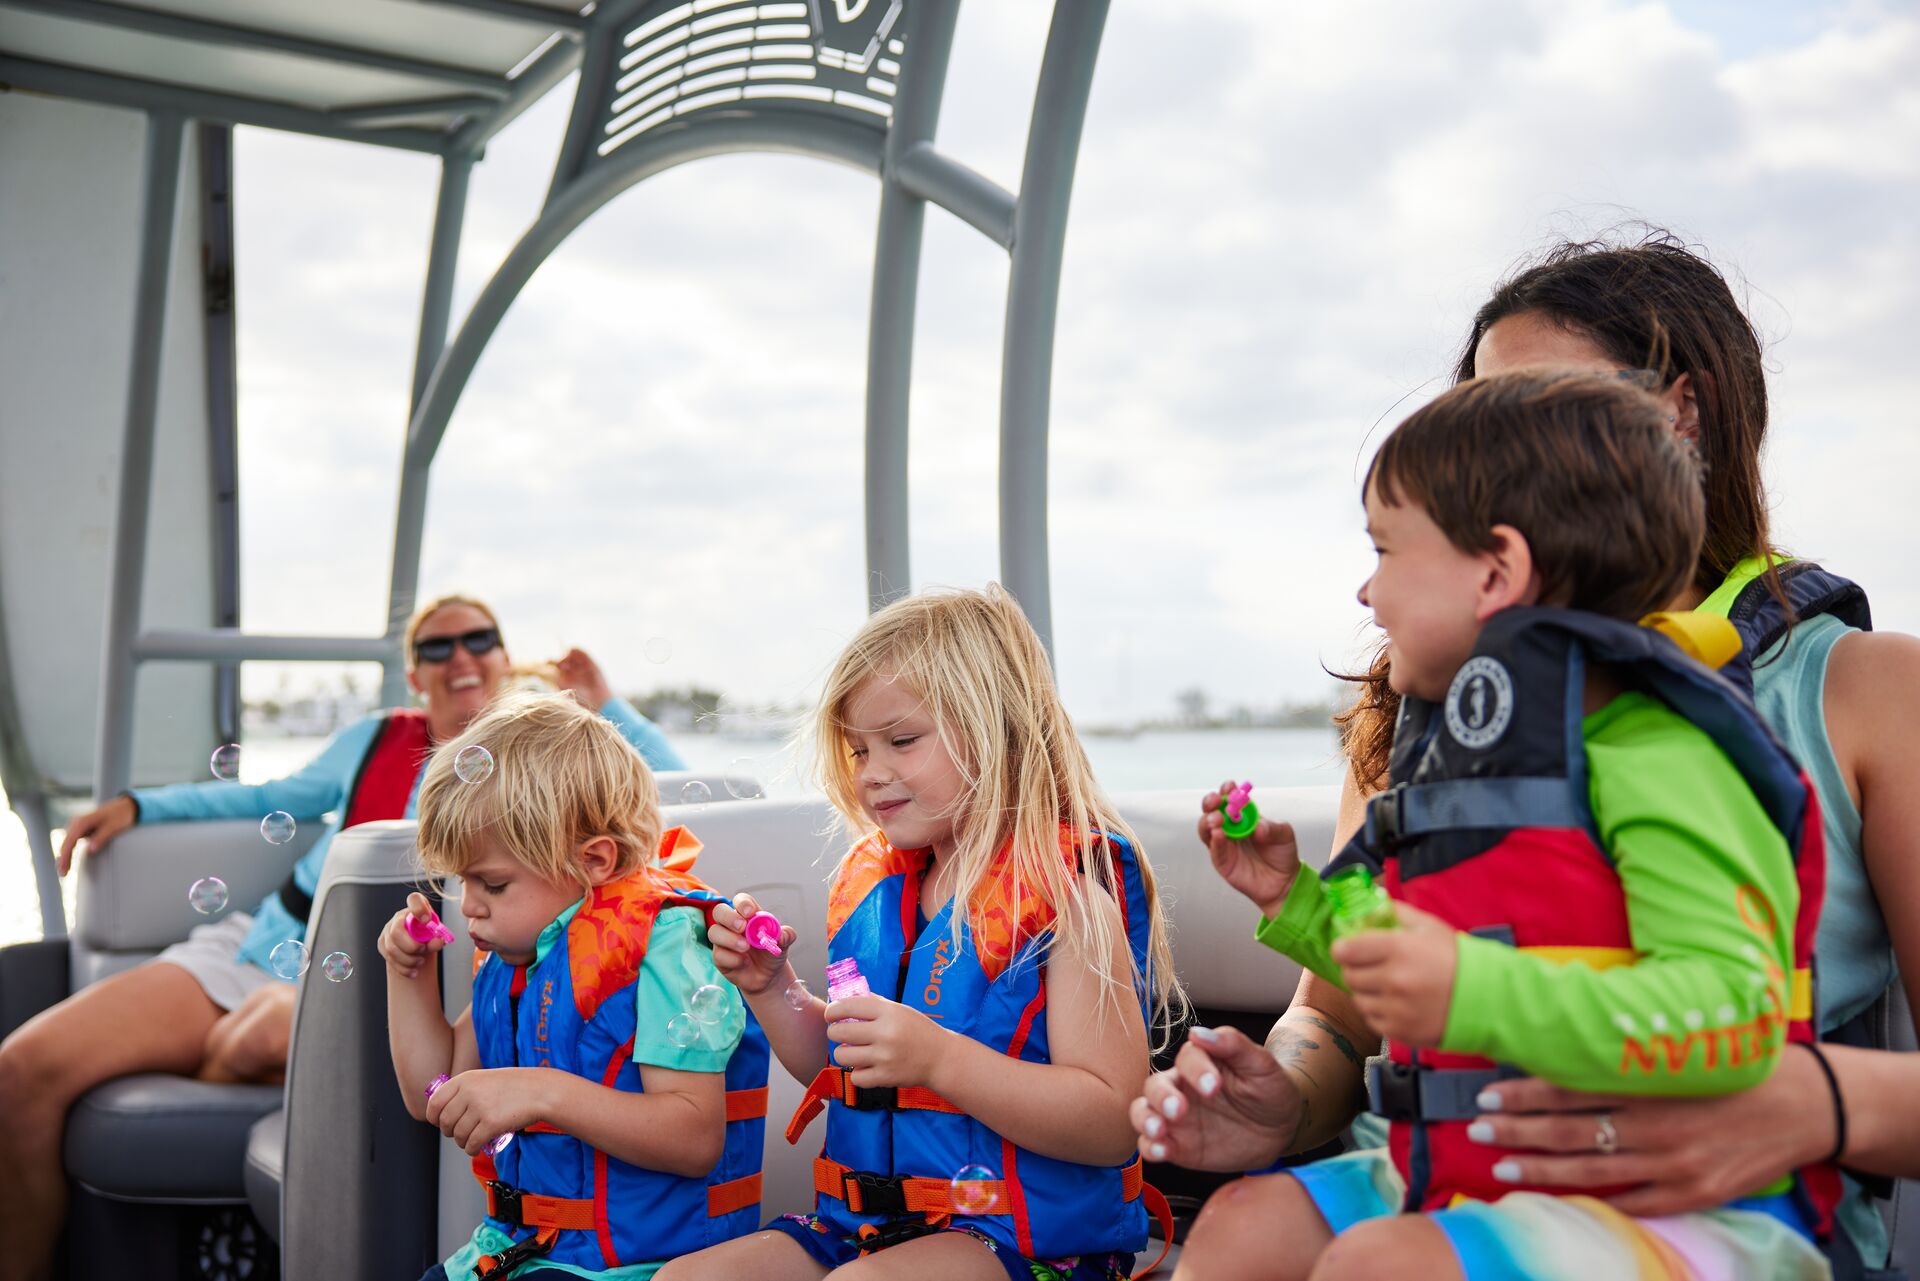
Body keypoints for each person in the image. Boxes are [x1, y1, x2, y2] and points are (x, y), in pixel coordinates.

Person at [1135, 234, 1920, 1277]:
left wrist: (1817, 1102)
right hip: (1441, 1165)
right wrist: (1281, 1097)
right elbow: (1342, 1016)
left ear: (1678, 417)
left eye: (1530, 409)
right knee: (1239, 1232)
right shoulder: (1425, 710)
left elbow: (1689, 998)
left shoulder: (1856, 695)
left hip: (1686, 1205)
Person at [0, 593, 685, 1281]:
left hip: (338, 984)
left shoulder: (553, 787)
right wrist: (139, 805)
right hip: (258, 945)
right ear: (414, 675)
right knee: (19, 1067)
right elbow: (263, 796)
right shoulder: (375, 741)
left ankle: (207, 1053)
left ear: (505, 657)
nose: (460, 657)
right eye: (436, 647)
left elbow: (661, 790)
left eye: (479, 639)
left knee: (255, 1035)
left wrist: (606, 703)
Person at [658, 586, 1185, 1281]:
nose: (872, 774)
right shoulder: (874, 898)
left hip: (1023, 1245)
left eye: (901, 741)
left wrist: (940, 1059)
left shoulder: (1071, 904)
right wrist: (772, 988)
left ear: (995, 728)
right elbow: (842, 1064)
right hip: (864, 1227)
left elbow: (1113, 1122)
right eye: (858, 751)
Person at [380, 691, 766, 1281]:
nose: (469, 905)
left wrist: (544, 1092)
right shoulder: (522, 959)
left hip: (641, 1267)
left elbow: (694, 1138)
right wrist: (408, 973)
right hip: (518, 1252)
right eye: (461, 881)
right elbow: (433, 1093)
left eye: (492, 884)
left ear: (593, 861)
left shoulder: (665, 952)